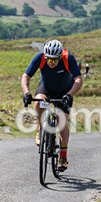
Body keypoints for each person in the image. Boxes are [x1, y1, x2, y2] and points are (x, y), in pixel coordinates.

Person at [21, 39, 83, 171]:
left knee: (62, 122)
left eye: (54, 60)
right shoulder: (40, 57)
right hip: (46, 88)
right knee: (38, 103)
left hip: (65, 92)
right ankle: (40, 127)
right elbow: (26, 76)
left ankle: (63, 156)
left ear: (60, 57)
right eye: (49, 59)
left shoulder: (68, 58)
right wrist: (26, 93)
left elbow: (79, 79)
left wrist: (70, 95)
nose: (51, 62)